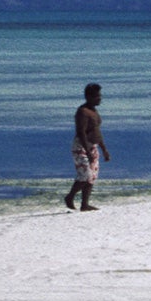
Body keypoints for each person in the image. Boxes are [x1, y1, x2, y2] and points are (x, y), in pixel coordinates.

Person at [64, 83, 111, 212]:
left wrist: (104, 149)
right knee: (85, 175)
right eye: (97, 96)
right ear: (88, 97)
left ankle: (85, 204)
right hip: (81, 146)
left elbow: (97, 132)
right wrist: (87, 151)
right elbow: (81, 132)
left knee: (92, 177)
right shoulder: (83, 112)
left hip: (93, 146)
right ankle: (70, 197)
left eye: (99, 95)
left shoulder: (94, 111)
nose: (100, 98)